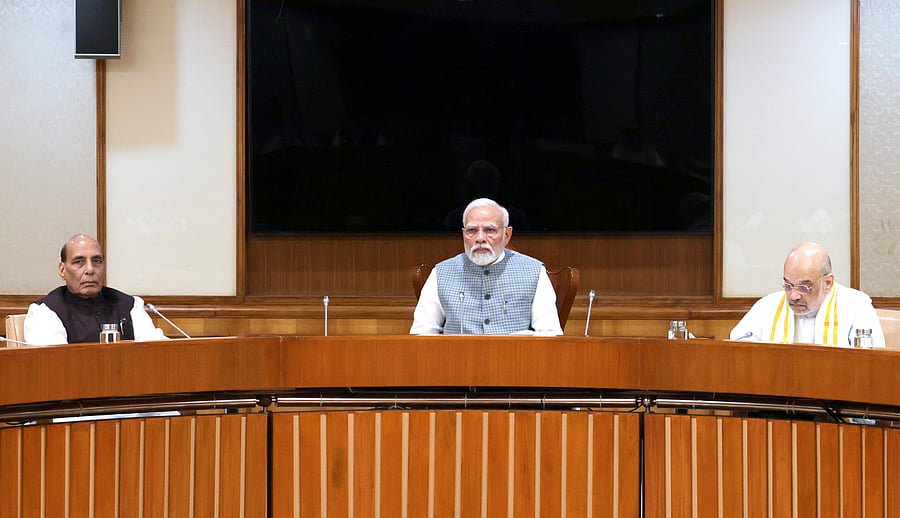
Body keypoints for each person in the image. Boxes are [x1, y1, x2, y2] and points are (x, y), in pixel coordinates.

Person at [411, 198, 562, 335]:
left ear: (506, 235)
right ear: (463, 234)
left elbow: (549, 333)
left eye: (490, 230)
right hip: (457, 361)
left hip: (516, 361)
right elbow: (422, 333)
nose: (480, 238)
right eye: (472, 231)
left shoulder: (534, 271)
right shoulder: (441, 272)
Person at [729, 242, 885, 347]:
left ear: (828, 283)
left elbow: (871, 362)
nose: (793, 296)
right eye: (788, 285)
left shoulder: (856, 306)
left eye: (804, 287)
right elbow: (739, 348)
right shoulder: (768, 306)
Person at [24, 234, 168, 345]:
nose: (90, 270)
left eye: (97, 261)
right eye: (79, 262)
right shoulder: (46, 311)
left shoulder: (129, 305)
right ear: (62, 270)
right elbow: (55, 365)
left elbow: (157, 351)